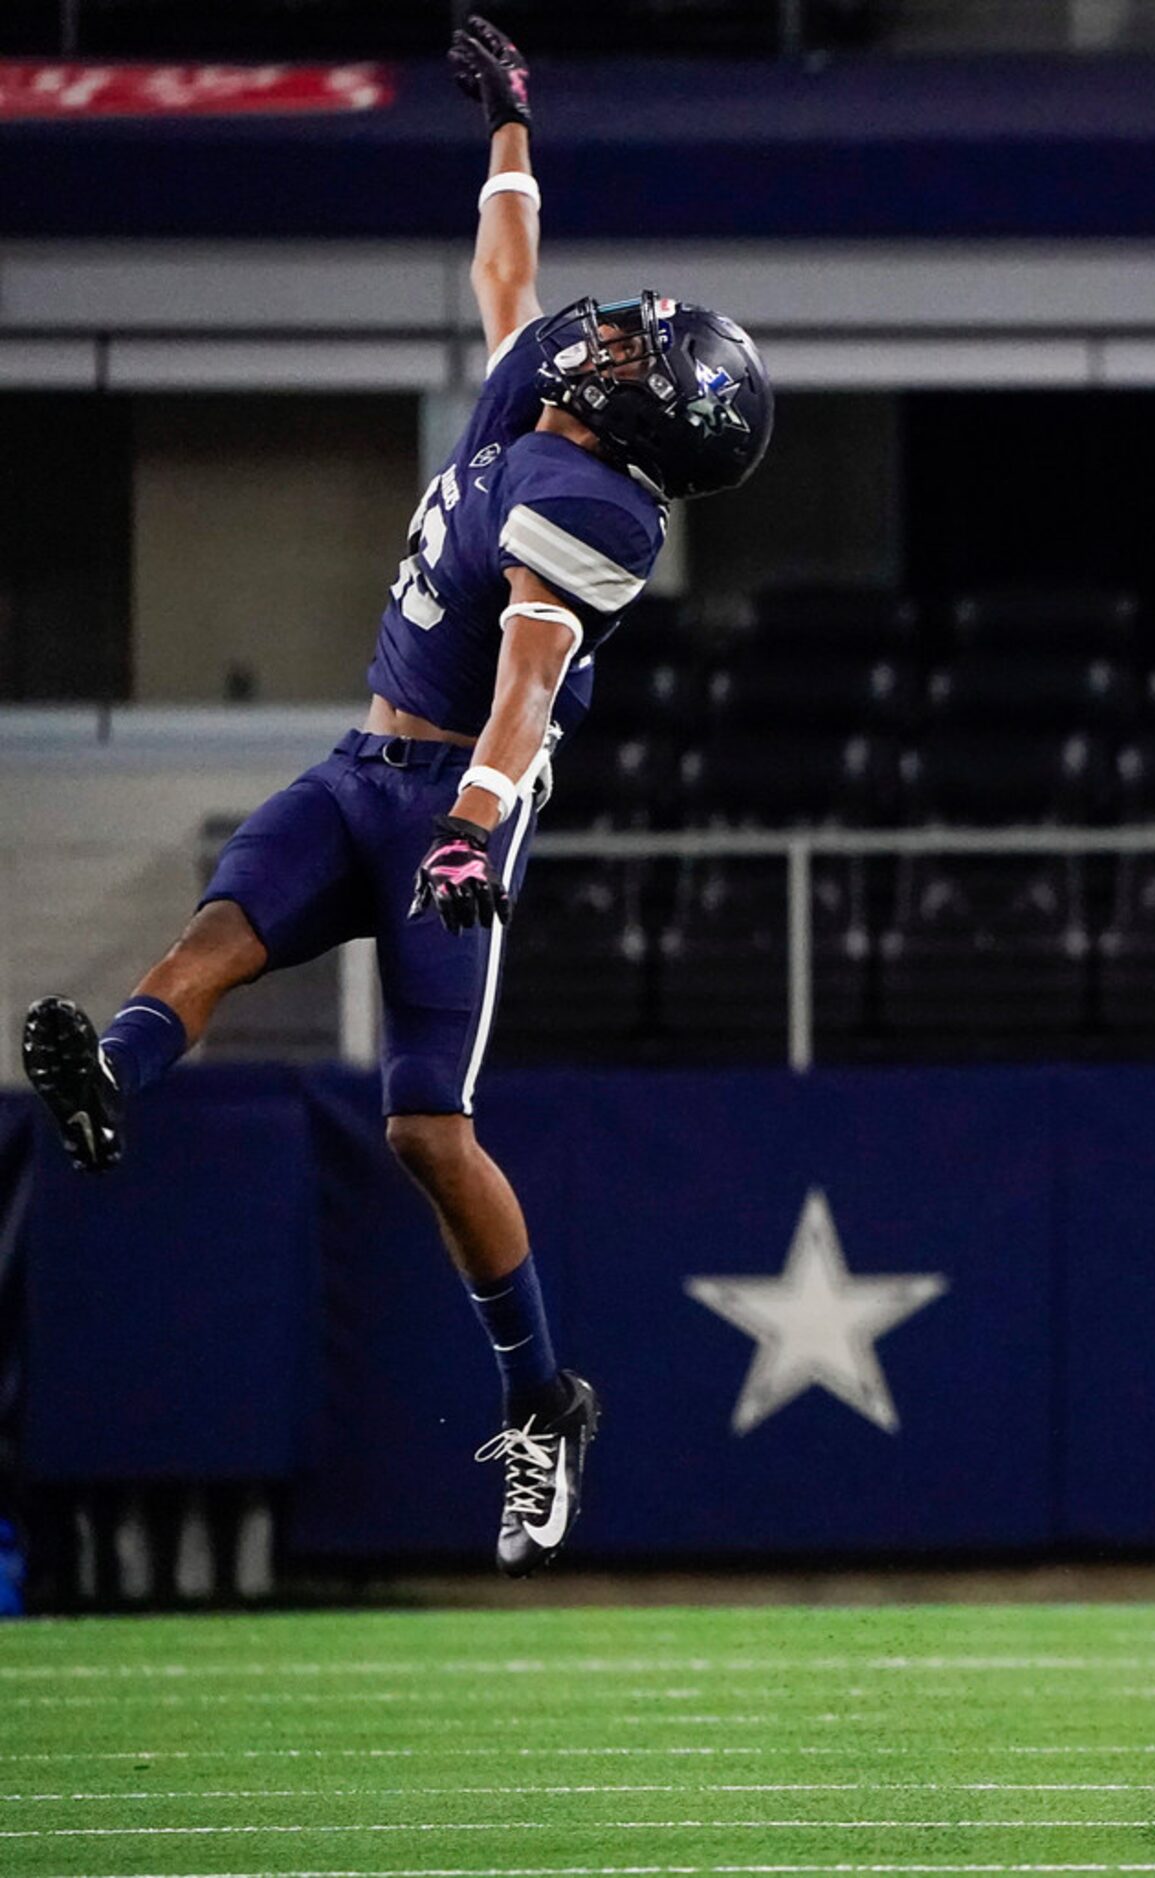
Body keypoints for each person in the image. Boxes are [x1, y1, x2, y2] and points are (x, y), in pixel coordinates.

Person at [20, 15, 773, 1577]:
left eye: (642, 359)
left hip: (448, 806)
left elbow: (519, 691)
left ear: (648, 425)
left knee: (426, 1128)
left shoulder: (591, 506)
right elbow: (509, 273)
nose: (615, 343)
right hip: (360, 765)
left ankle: (543, 1398)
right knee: (211, 935)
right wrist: (509, 124)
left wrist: (474, 836)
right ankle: (107, 1083)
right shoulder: (534, 408)